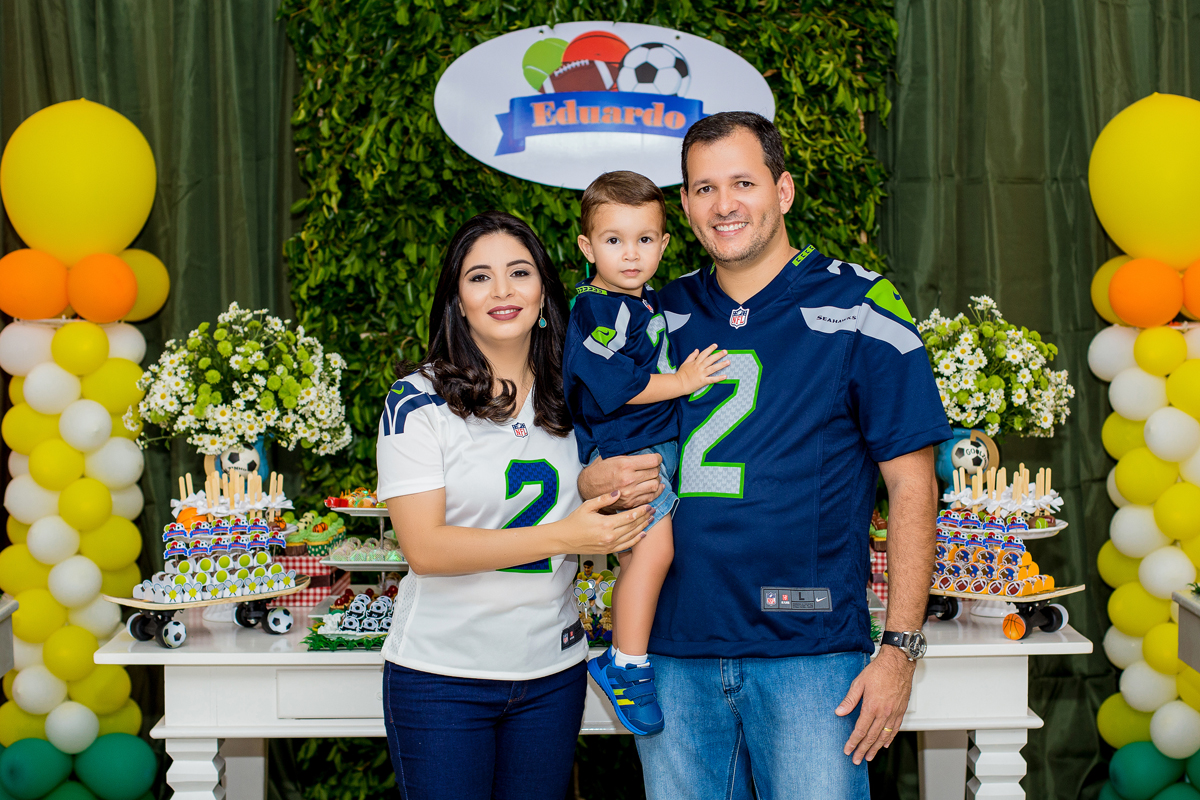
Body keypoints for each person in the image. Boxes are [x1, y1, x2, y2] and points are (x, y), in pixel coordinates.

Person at [578, 112, 951, 799]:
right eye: (704, 189)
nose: (724, 204)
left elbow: (913, 486)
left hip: (808, 643)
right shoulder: (655, 312)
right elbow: (597, 441)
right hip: (673, 648)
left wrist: (900, 649)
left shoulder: (862, 303)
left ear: (783, 190)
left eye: (742, 183)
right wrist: (591, 478)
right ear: (684, 205)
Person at [376, 211, 652, 800]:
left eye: (519, 272)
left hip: (551, 673)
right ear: (457, 300)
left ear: (545, 292)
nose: (502, 290)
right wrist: (565, 536)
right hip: (443, 677)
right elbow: (425, 549)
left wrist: (607, 484)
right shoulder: (417, 400)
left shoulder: (579, 395)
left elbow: (595, 495)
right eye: (480, 277)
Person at [562, 171, 729, 736]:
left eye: (644, 239)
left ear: (663, 243)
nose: (630, 254)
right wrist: (682, 382)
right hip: (626, 452)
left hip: (650, 447)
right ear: (587, 247)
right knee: (656, 552)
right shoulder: (596, 309)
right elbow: (615, 383)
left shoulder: (641, 300)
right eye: (614, 240)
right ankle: (626, 664)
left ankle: (625, 652)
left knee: (638, 558)